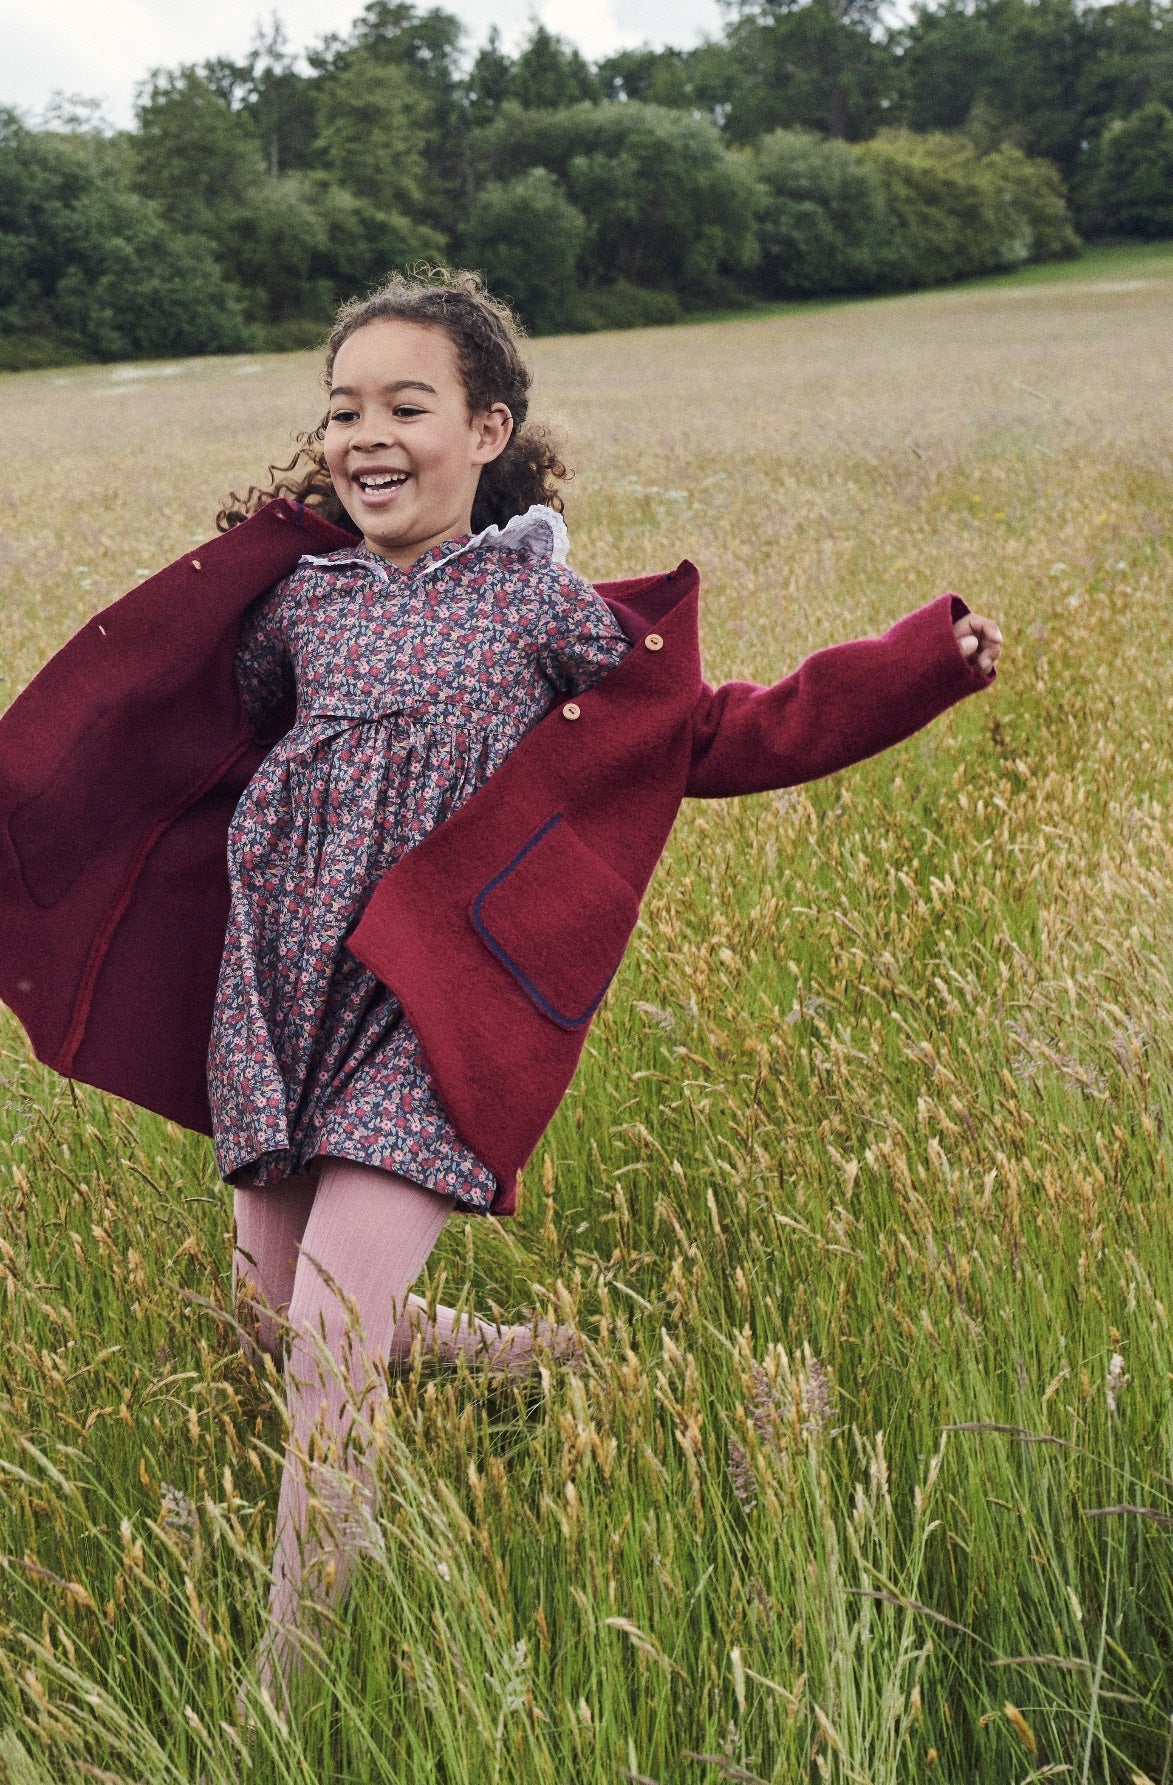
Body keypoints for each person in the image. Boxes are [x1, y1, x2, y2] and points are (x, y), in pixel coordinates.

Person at [0, 270, 1001, 1690]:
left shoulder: (539, 602)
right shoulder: (296, 602)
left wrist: (915, 667)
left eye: (408, 404)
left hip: (427, 1004)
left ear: (487, 430)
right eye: (344, 408)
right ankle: (514, 1355)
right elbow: (153, 736)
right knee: (267, 1318)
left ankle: (278, 1704)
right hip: (276, 999)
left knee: (327, 1355)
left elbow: (712, 734)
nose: (367, 434)